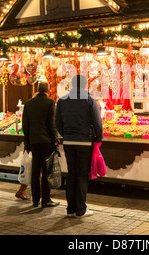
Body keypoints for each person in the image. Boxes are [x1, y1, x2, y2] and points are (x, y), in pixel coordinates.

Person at [55, 74, 103, 218]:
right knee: (82, 175)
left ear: (72, 85)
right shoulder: (89, 99)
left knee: (72, 174)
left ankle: (70, 209)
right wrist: (97, 138)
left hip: (69, 142)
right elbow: (97, 122)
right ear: (84, 85)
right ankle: (81, 210)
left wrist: (66, 134)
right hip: (84, 142)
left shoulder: (62, 100)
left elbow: (57, 122)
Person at [22, 82, 59, 208]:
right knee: (46, 171)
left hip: (33, 141)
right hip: (46, 141)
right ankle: (46, 200)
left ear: (37, 89)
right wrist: (55, 139)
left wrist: (27, 142)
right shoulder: (50, 102)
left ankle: (35, 200)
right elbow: (51, 124)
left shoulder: (28, 103)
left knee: (35, 171)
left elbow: (25, 125)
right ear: (48, 90)